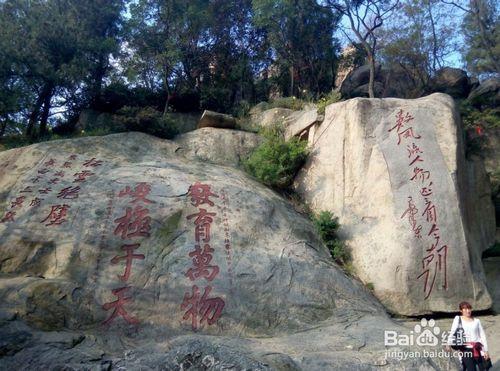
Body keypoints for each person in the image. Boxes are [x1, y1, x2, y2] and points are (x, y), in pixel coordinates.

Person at [447, 301, 490, 370]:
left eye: (469, 308)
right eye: (465, 309)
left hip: (478, 348)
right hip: (465, 349)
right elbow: (452, 331)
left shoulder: (477, 321)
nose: (468, 311)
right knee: (471, 369)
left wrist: (486, 351)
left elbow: (482, 336)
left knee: (483, 368)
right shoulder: (458, 319)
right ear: (461, 310)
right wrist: (448, 344)